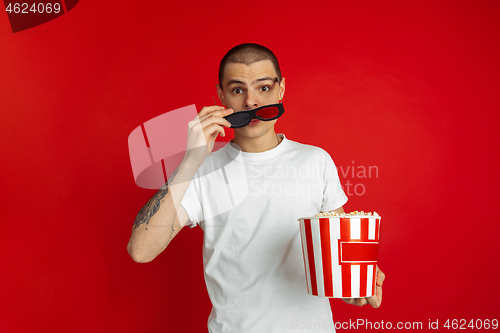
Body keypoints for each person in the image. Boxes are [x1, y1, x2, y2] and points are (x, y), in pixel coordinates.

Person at [127, 43, 385, 332]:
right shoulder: (202, 171)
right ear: (221, 95)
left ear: (281, 90)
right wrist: (191, 161)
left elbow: (338, 254)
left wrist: (355, 284)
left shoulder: (316, 160)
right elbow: (141, 250)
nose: (251, 102)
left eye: (263, 88)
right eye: (238, 90)